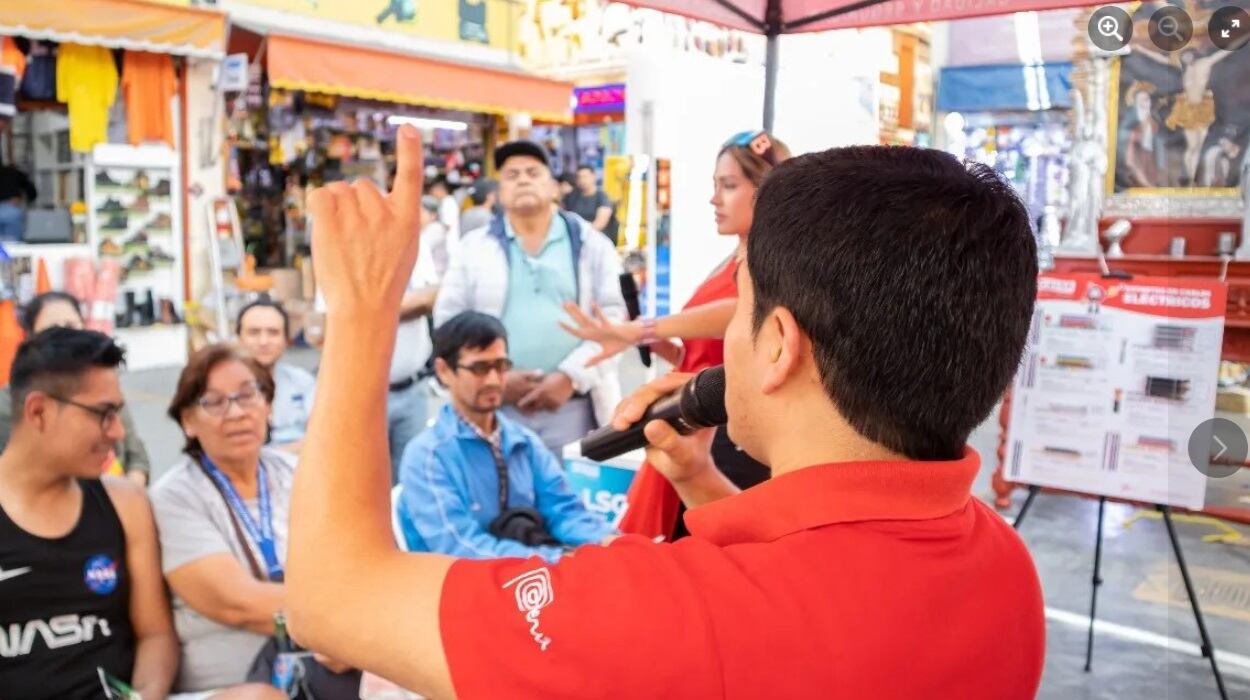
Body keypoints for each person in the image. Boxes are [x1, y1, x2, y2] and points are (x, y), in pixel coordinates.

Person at [284, 128, 1045, 698]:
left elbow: (330, 600)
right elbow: (822, 604)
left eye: (738, 307)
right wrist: (702, 481)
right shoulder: (1007, 570)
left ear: (778, 345)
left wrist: (360, 310)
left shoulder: (668, 617)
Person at [562, 131, 791, 538]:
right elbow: (706, 357)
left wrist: (644, 328)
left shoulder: (770, 266)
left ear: (768, 191)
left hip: (725, 437)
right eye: (715, 185)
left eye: (729, 185)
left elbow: (747, 313)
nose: (714, 198)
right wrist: (659, 344)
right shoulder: (733, 259)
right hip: (693, 422)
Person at [151, 345, 352, 695]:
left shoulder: (296, 474)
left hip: (322, 662)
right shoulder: (175, 496)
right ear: (188, 421)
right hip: (236, 681)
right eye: (214, 402)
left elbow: (350, 567)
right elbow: (237, 603)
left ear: (268, 405)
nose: (236, 413)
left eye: (248, 395)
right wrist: (346, 627)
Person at [0, 328, 179, 699]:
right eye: (103, 414)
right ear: (39, 411)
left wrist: (143, 696)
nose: (116, 431)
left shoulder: (126, 503)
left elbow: (155, 635)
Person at [434, 140, 626, 454]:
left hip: (575, 408)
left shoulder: (591, 244)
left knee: (570, 498)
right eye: (511, 175)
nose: (522, 179)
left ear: (553, 187)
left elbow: (615, 321)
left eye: (533, 172)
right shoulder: (473, 247)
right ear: (499, 191)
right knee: (498, 498)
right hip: (495, 408)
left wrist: (570, 377)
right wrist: (493, 378)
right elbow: (449, 322)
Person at [397, 311, 617, 562]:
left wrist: (609, 541)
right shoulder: (427, 456)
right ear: (444, 370)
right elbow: (459, 547)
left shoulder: (524, 441)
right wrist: (556, 560)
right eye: (480, 368)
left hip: (526, 579)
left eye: (500, 366)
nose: (493, 379)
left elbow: (565, 511)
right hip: (454, 589)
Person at [0, 291, 151, 485]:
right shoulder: (7, 404)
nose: (66, 337)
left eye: (72, 326)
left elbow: (136, 455)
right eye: (53, 329)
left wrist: (126, 496)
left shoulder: (104, 389)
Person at [235, 299, 315, 452]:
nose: (264, 341)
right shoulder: (221, 386)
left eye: (273, 333)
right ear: (239, 338)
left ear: (286, 340)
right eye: (254, 332)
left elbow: (320, 438)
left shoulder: (302, 382)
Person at [562, 164, 618, 242]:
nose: (582, 180)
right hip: (576, 238)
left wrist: (583, 235)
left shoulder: (602, 197)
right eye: (579, 177)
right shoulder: (573, 196)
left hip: (597, 239)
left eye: (585, 177)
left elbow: (601, 222)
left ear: (593, 176)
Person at [425, 176, 460, 261]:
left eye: (432, 191)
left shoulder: (448, 202)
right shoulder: (445, 202)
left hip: (449, 245)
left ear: (439, 190)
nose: (432, 194)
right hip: (446, 246)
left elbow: (447, 225)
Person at [0, 161, 36, 240]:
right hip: (11, 206)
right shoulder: (15, 172)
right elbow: (32, 192)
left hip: (8, 206)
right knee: (14, 244)